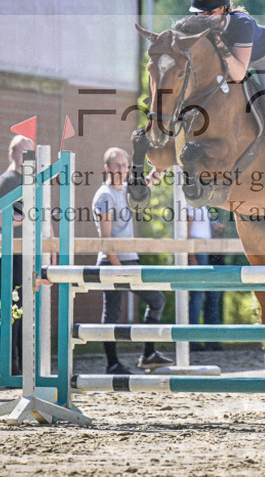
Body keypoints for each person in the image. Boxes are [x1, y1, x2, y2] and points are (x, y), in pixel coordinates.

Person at [189, 0, 265, 195]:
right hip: (238, 59)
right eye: (199, 14)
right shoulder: (200, 27)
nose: (204, 18)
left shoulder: (242, 24)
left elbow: (239, 73)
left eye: (210, 12)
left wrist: (219, 44)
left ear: (223, 9)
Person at [93, 147, 173, 374]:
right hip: (112, 262)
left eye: (125, 165)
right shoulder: (105, 195)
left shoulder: (128, 189)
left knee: (157, 300)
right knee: (112, 313)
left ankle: (148, 354)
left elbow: (149, 182)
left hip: (130, 260)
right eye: (117, 165)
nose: (122, 169)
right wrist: (117, 266)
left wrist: (162, 166)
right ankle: (112, 364)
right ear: (107, 168)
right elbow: (105, 237)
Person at [0, 134, 34, 369]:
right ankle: (9, 366)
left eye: (30, 153)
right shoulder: (7, 181)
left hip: (29, 251)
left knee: (27, 309)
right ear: (12, 154)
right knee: (13, 310)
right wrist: (22, 218)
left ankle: (26, 365)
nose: (27, 157)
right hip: (9, 252)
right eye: (22, 152)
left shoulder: (31, 181)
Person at [187, 205, 223, 352]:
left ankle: (211, 340)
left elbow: (202, 225)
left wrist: (215, 226)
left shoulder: (201, 204)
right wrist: (191, 255)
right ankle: (193, 340)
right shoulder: (189, 203)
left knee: (211, 295)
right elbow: (187, 231)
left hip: (205, 249)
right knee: (197, 296)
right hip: (198, 249)